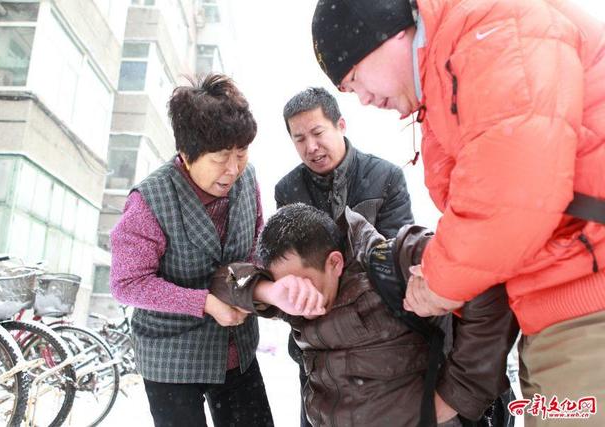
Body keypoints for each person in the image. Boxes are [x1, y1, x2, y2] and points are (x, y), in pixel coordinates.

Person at [311, 0, 605, 425]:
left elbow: (513, 190)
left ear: (389, 34)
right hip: (556, 300)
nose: (364, 99)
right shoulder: (453, 67)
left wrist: (437, 282)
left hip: (588, 298)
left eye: (355, 79)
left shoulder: (492, 30)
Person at [210, 203, 518, 427]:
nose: (298, 299)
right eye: (286, 287)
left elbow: (487, 286)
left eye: (303, 284)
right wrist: (267, 291)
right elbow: (223, 280)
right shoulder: (287, 296)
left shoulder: (394, 262)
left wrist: (456, 399)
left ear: (334, 263)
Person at [109, 74, 273, 427]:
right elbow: (127, 283)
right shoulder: (150, 200)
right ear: (186, 153)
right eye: (220, 158)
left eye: (241, 153)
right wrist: (205, 303)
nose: (233, 169)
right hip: (171, 354)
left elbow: (258, 243)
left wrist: (259, 288)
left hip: (236, 347)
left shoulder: (248, 180)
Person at [276, 86, 414, 427]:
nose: (311, 147)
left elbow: (395, 259)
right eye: (299, 139)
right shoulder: (287, 190)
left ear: (341, 124)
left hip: (378, 340)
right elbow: (289, 265)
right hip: (315, 341)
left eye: (317, 133)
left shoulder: (385, 178)